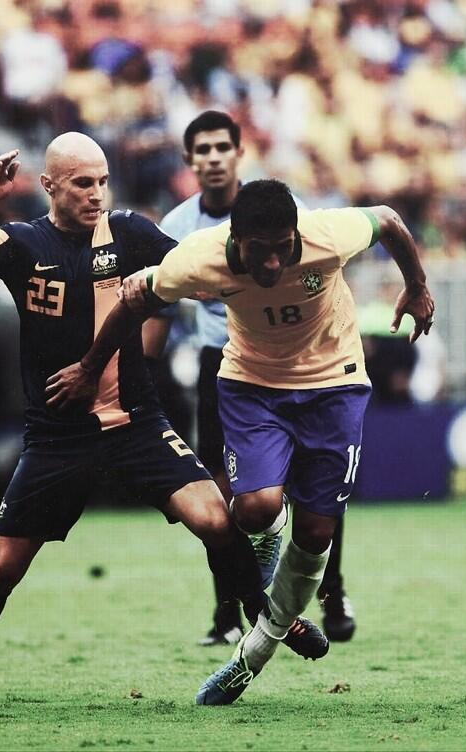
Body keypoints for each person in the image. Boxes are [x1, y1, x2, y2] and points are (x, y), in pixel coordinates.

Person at [0, 134, 323, 710]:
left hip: (137, 421)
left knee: (215, 518)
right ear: (49, 186)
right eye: (81, 183)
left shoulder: (131, 233)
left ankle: (266, 615)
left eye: (102, 181)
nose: (96, 194)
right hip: (56, 435)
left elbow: (200, 270)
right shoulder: (21, 242)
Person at [44, 179, 435, 705]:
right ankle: (268, 534)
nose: (273, 264)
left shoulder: (326, 233)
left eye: (283, 248)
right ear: (236, 238)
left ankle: (251, 656)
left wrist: (416, 285)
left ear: (295, 233)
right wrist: (91, 369)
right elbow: (133, 300)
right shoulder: (199, 257)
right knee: (253, 508)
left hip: (333, 384)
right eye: (260, 251)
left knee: (318, 531)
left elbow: (388, 216)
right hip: (253, 386)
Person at [146, 110, 356, 647]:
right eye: (203, 149)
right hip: (222, 363)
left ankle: (332, 596)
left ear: (239, 154)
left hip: (297, 364)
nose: (214, 157)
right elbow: (155, 309)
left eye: (223, 147)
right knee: (225, 492)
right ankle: (229, 608)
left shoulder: (291, 215)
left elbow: (321, 277)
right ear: (190, 161)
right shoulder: (176, 229)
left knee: (317, 489)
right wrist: (140, 375)